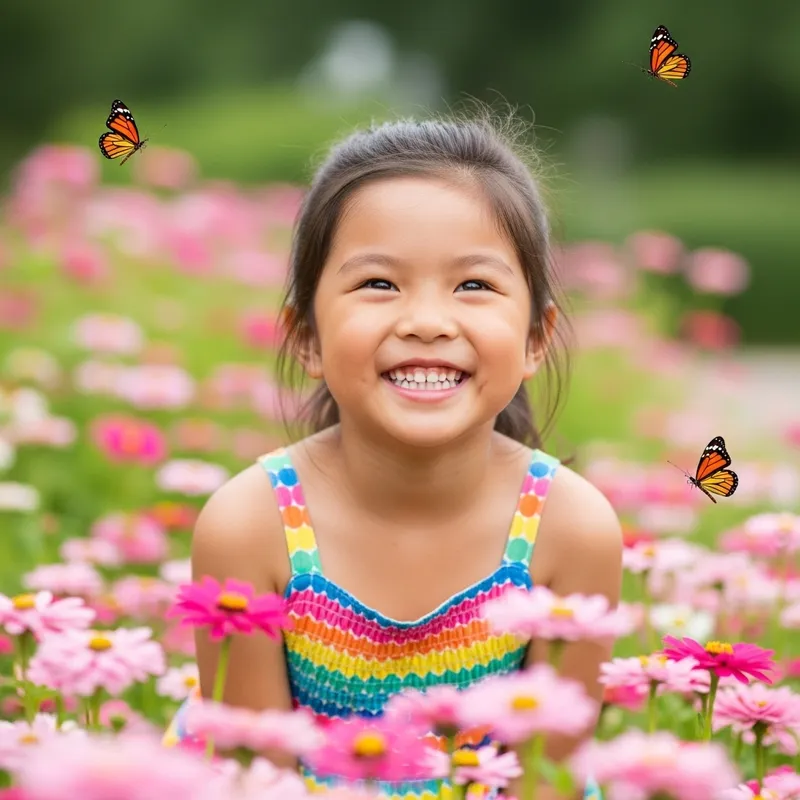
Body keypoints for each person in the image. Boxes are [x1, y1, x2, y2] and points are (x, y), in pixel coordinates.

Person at [163, 111, 623, 800]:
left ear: (535, 338)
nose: (427, 320)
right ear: (307, 338)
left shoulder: (570, 529)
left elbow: (545, 780)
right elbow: (255, 777)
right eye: (379, 284)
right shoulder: (251, 524)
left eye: (474, 285)